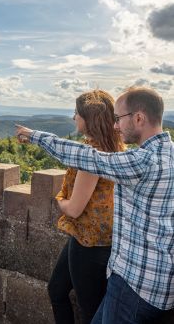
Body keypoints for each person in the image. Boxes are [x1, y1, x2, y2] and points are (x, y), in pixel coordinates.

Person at [16, 86, 174, 324]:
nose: (115, 125)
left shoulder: (143, 162)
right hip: (159, 281)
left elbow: (85, 157)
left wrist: (34, 136)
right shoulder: (168, 154)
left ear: (139, 118)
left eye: (119, 118)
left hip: (135, 283)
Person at [46, 89, 124, 324]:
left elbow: (74, 209)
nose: (73, 118)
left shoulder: (92, 156)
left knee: (90, 308)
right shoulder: (115, 148)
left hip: (90, 245)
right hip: (88, 237)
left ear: (89, 120)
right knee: (57, 290)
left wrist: (59, 198)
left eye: (76, 113)